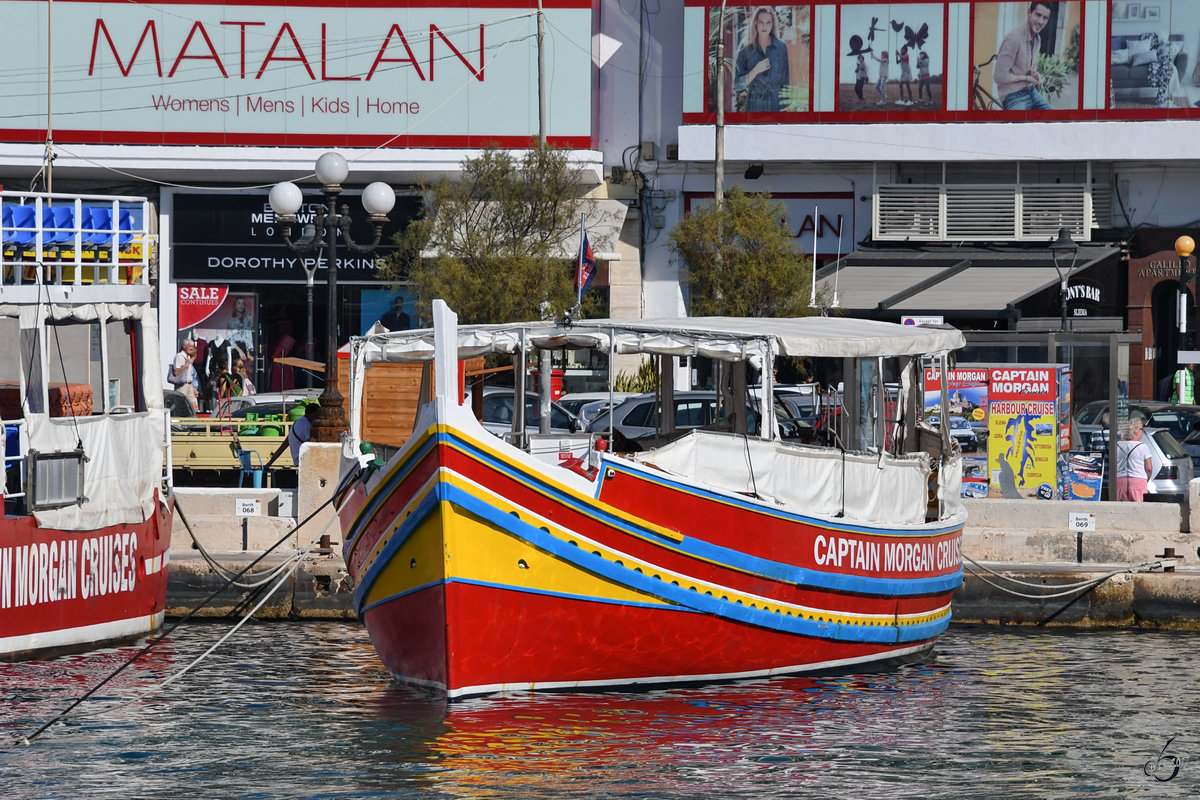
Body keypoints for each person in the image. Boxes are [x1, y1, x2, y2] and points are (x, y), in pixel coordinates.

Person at [995, 1, 1054, 111]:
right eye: (1038, 15)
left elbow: (1029, 68)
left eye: (1045, 18)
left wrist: (1034, 74)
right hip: (1012, 96)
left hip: (1031, 91)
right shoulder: (1013, 39)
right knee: (1020, 128)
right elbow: (999, 77)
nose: (1041, 21)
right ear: (1029, 12)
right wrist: (1026, 78)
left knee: (1054, 120)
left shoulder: (1037, 39)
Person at [733, 7, 789, 113]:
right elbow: (737, 85)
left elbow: (785, 83)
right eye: (761, 22)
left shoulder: (781, 47)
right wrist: (755, 71)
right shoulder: (746, 48)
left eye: (768, 22)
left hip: (776, 105)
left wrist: (785, 111)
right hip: (754, 106)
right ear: (755, 24)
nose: (764, 26)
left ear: (773, 24)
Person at [265, 402, 320, 469]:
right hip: (306, 459)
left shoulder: (298, 422)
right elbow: (313, 442)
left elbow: (284, 445)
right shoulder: (305, 424)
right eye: (317, 415)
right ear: (312, 414)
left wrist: (269, 463)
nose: (318, 418)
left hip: (299, 460)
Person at [1116, 418, 1152, 502]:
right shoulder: (1143, 447)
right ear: (1136, 431)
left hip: (1119, 481)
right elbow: (1149, 468)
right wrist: (1145, 480)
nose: (1142, 431)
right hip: (1138, 481)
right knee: (1138, 510)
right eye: (1141, 429)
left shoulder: (1117, 445)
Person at [168, 340, 199, 407]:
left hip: (189, 385)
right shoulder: (179, 356)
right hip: (182, 385)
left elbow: (189, 376)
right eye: (190, 346)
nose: (191, 348)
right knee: (181, 406)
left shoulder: (188, 358)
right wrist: (186, 364)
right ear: (184, 347)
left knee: (194, 407)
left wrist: (194, 389)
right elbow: (176, 372)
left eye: (193, 346)